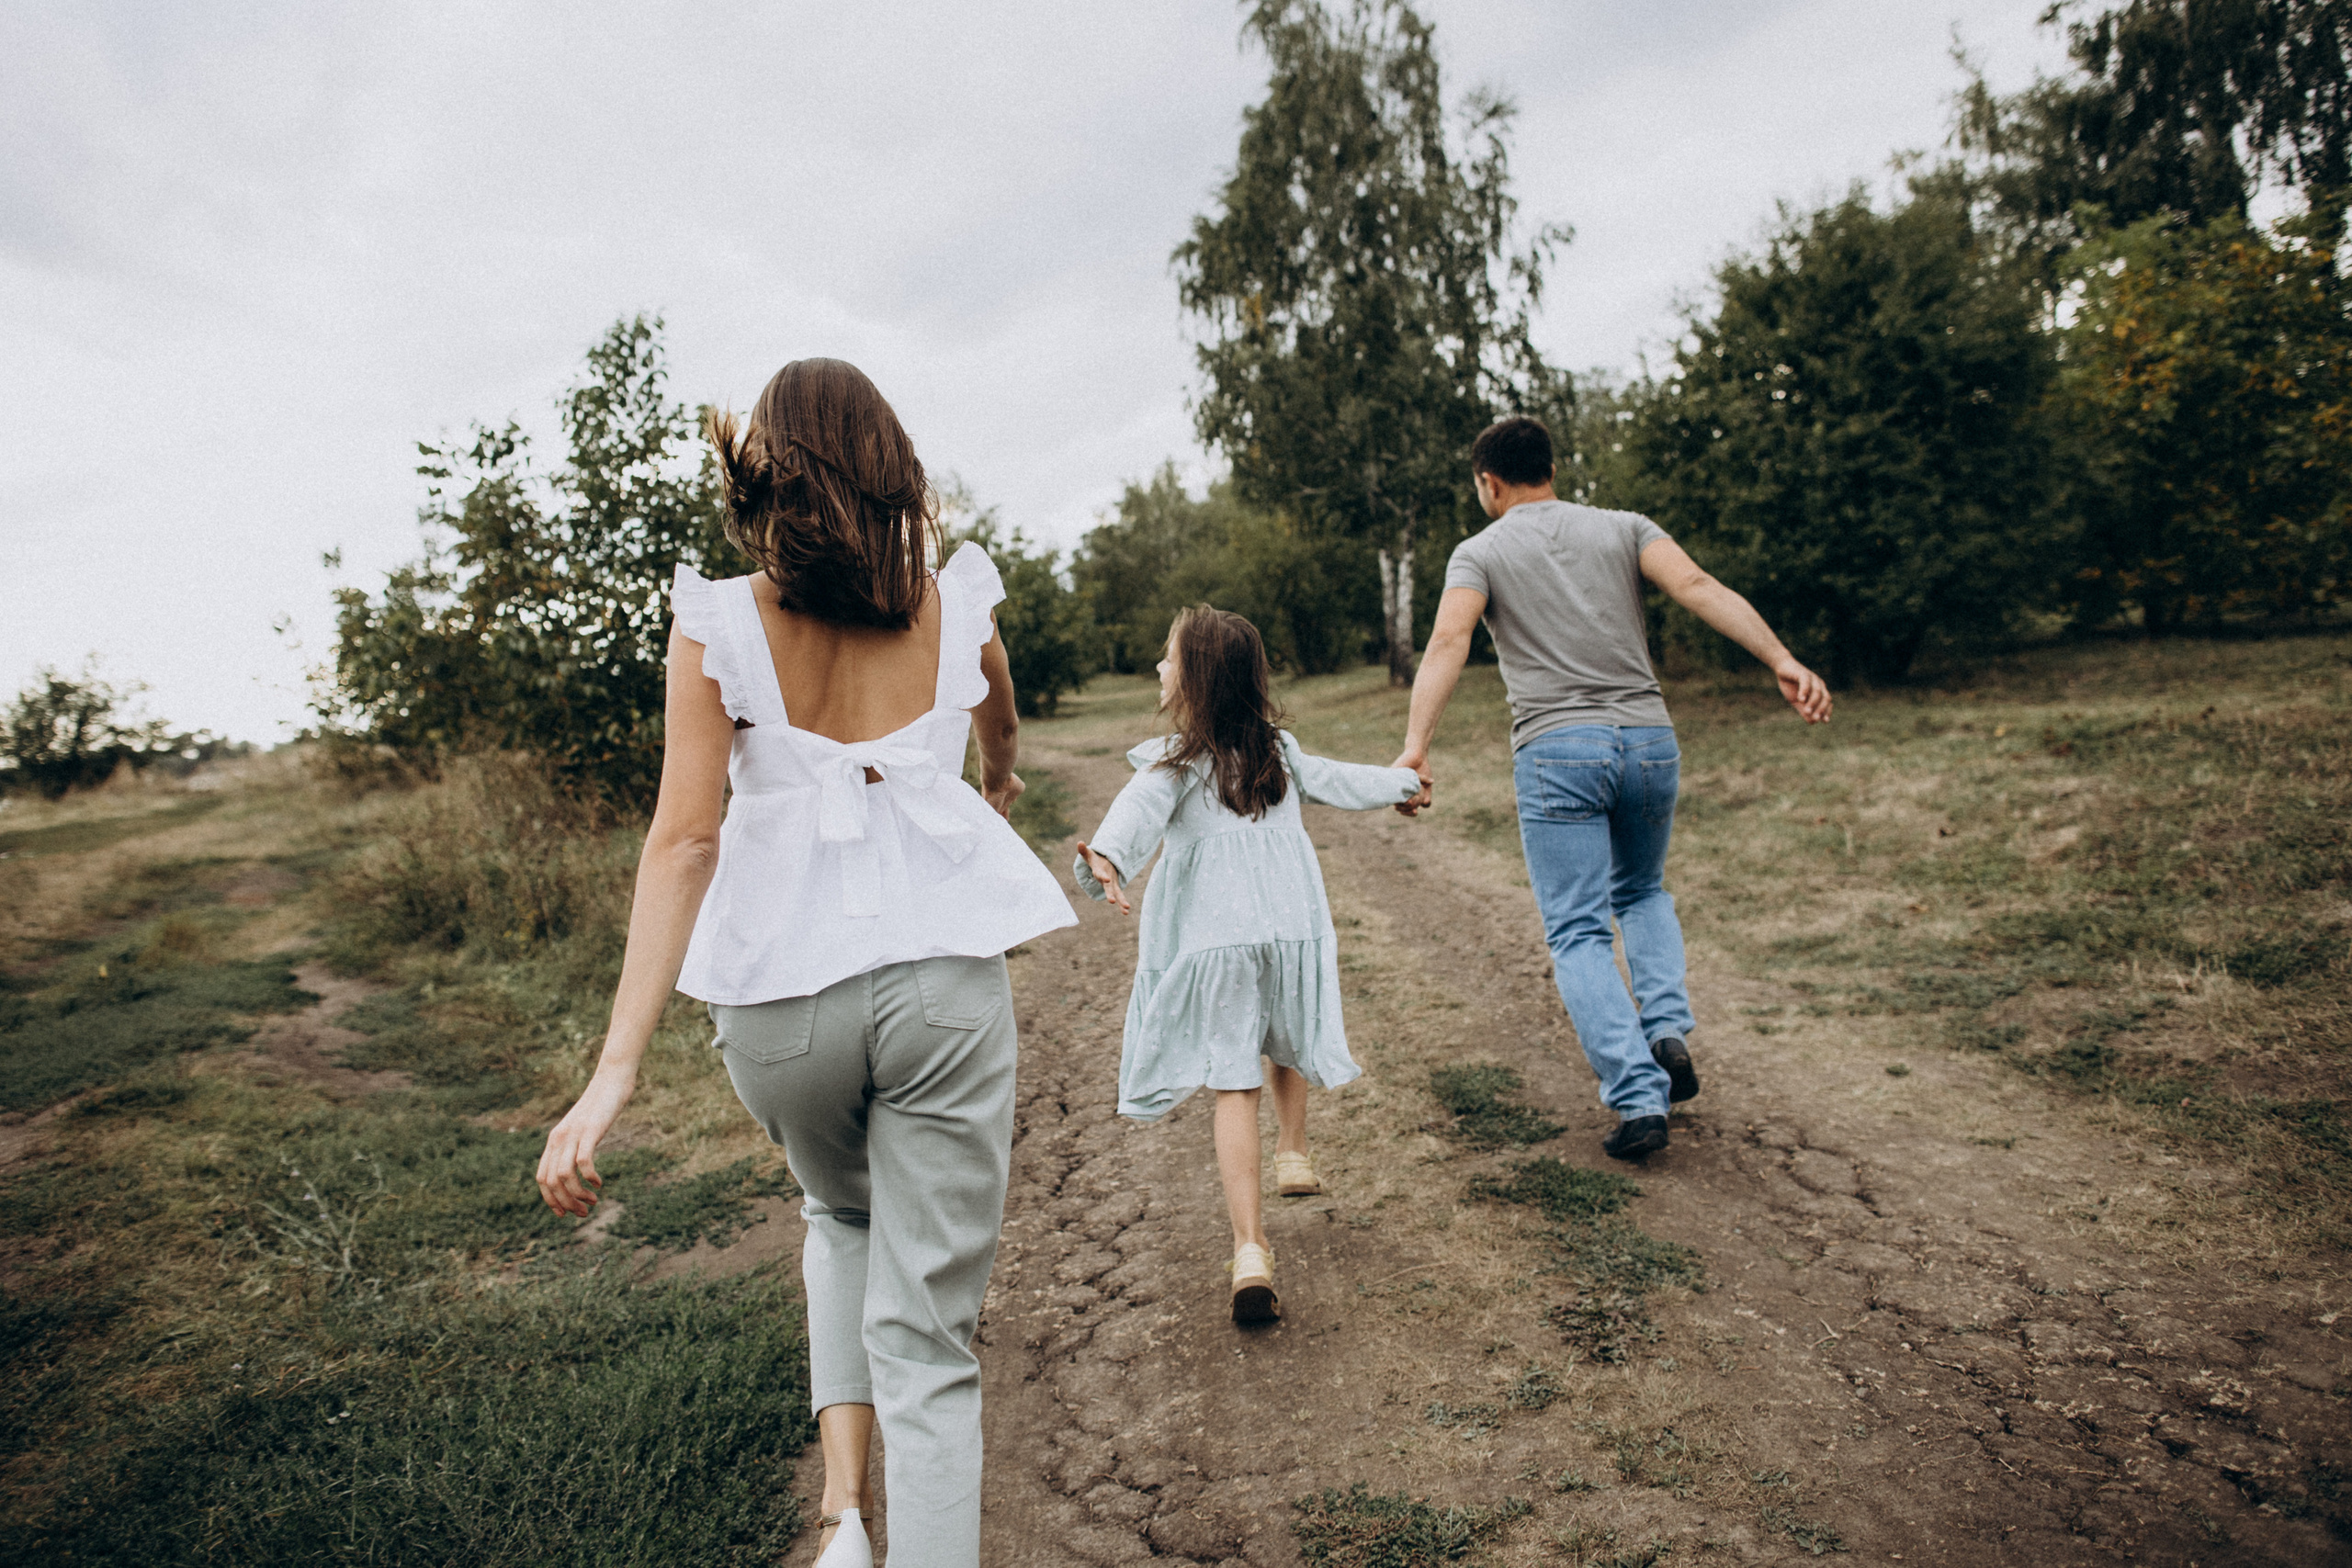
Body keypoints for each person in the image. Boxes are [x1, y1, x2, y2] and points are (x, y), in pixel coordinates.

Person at [532, 358, 1076, 1568]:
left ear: (765, 475)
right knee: (928, 1337)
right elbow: (1000, 705)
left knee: (836, 1212)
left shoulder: (717, 623)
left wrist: (614, 1069)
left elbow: (683, 839)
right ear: (891, 467)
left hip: (780, 1012)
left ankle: (841, 1519)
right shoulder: (951, 602)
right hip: (941, 991)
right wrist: (996, 770)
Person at [1391, 415, 1830, 1162]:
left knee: (1578, 930)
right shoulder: (1626, 526)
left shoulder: (1479, 551)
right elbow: (1695, 584)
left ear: (1488, 483)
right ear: (1552, 468)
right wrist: (1780, 657)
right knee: (1644, 891)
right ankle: (1665, 1031)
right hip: (1650, 741)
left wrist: (1416, 748)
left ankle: (1636, 1096)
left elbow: (1446, 642)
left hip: (1559, 750)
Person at [1073, 607, 1420, 1324]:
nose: (1159, 669)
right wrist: (1403, 784)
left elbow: (1134, 812)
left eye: (1167, 659)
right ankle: (1293, 1149)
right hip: (1287, 927)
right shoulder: (1280, 752)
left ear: (1195, 679)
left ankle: (1251, 1247)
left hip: (1220, 940)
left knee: (1234, 1083)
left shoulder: (1174, 763)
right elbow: (1342, 780)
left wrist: (1107, 857)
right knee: (1285, 1030)